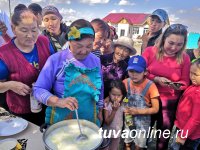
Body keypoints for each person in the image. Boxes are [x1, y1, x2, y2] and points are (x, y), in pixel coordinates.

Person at [33, 19, 104, 126]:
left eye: (89, 46)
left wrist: (100, 110)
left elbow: (100, 87)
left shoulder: (95, 60)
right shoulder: (56, 60)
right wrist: (58, 101)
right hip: (61, 121)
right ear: (69, 42)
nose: (84, 51)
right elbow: (38, 90)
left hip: (89, 118)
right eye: (78, 46)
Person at [0, 8, 54, 126]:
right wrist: (9, 85)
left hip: (48, 104)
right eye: (24, 30)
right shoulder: (4, 54)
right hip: (22, 111)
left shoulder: (43, 41)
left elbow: (56, 65)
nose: (30, 35)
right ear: (13, 29)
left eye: (34, 30)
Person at [142, 24, 190, 149]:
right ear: (164, 39)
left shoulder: (185, 58)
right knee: (143, 133)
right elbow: (140, 72)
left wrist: (176, 86)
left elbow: (185, 82)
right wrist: (156, 79)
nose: (174, 48)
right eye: (171, 42)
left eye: (179, 44)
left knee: (163, 137)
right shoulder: (150, 51)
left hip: (169, 103)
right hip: (148, 99)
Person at [123, 55, 159, 150]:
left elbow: (156, 108)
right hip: (128, 117)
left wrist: (138, 111)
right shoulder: (125, 83)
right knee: (128, 138)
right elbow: (124, 98)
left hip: (143, 121)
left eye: (138, 71)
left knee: (140, 143)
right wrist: (125, 104)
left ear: (145, 72)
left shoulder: (151, 86)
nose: (134, 74)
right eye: (131, 71)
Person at [168, 58, 200, 150]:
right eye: (191, 73)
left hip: (190, 134)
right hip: (182, 127)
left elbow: (195, 119)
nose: (192, 77)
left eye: (196, 74)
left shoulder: (198, 94)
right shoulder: (194, 86)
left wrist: (183, 135)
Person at [103, 79, 127, 150]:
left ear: (122, 95)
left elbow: (128, 99)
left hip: (117, 133)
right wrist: (114, 110)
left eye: (119, 95)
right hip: (107, 133)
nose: (116, 98)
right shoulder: (107, 104)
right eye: (113, 94)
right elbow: (107, 122)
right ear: (109, 93)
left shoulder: (123, 102)